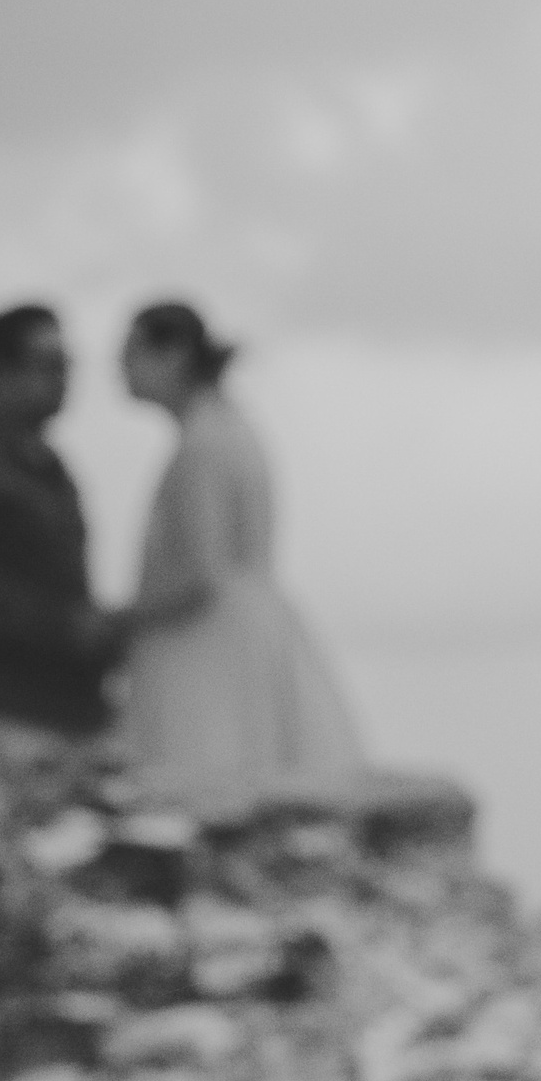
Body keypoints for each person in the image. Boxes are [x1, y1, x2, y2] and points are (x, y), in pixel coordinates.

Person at [116, 300, 364, 819]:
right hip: (252, 630)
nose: (121, 367)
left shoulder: (204, 442)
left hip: (209, 645)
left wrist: (119, 619)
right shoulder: (232, 427)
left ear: (174, 356)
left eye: (133, 351)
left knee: (204, 781)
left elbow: (203, 575)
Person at [0, 303, 128, 735]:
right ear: (4, 370)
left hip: (75, 708)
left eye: (67, 364)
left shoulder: (55, 468)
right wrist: (66, 628)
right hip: (3, 712)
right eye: (50, 365)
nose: (64, 379)